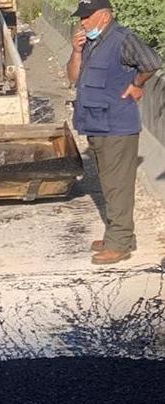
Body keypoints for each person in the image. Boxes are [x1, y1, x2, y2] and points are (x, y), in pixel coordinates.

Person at [67, 0, 161, 265]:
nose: (83, 22)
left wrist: (135, 85)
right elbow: (73, 77)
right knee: (109, 185)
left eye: (87, 16)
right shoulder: (90, 44)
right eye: (81, 17)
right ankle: (117, 236)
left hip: (117, 126)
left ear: (104, 16)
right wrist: (75, 52)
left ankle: (119, 245)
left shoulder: (122, 39)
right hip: (96, 125)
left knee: (117, 187)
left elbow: (152, 61)